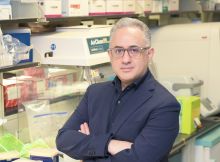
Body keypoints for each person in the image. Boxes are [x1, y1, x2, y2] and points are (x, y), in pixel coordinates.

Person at [56, 17, 180, 162]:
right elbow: (63, 139)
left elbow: (138, 159)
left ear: (149, 54)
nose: (125, 59)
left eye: (134, 50)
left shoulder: (165, 105)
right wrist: (110, 144)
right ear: (110, 55)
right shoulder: (94, 93)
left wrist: (89, 146)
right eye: (119, 50)